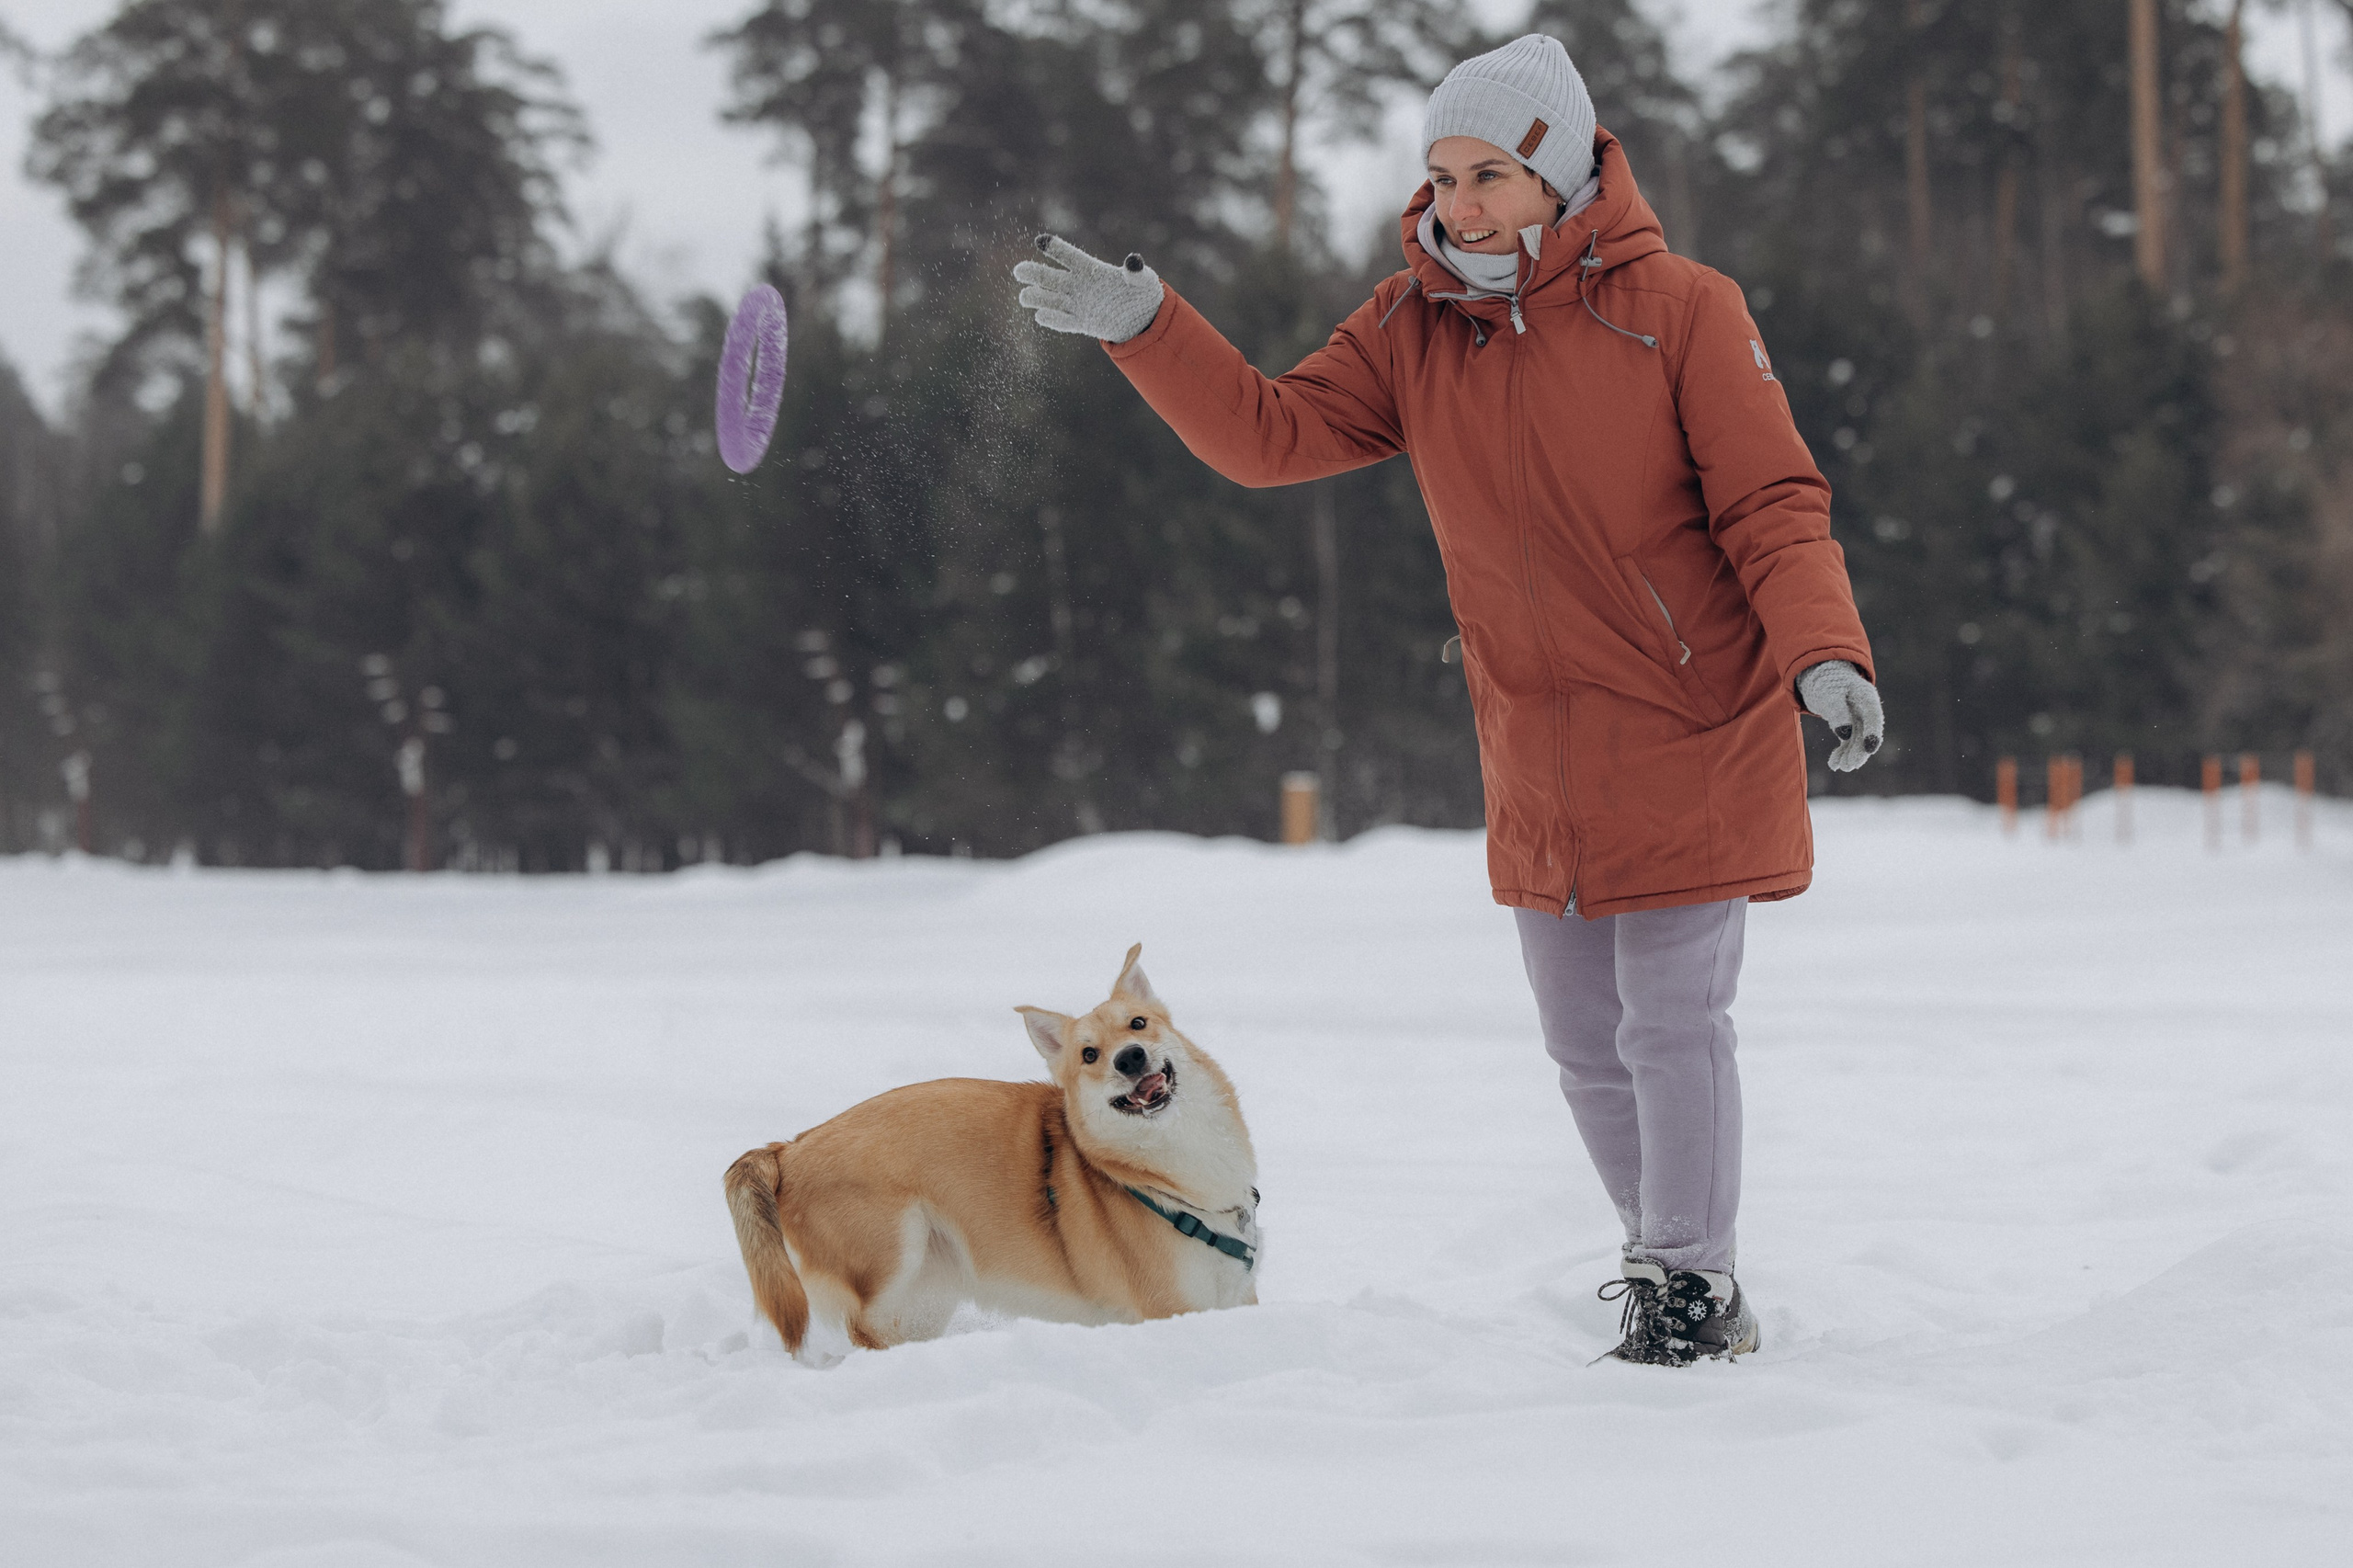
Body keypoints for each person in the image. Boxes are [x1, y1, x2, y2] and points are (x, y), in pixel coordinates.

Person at [1012, 34, 1882, 1366]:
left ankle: (1696, 1284)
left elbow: (1773, 502)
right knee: (1585, 1043)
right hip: (1538, 748)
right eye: (1440, 176)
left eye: (1485, 175)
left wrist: (1826, 651)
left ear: (1565, 169)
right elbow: (1272, 432)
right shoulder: (1415, 327)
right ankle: (1662, 1256)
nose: (1455, 205)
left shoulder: (1686, 310)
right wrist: (1150, 330)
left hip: (1694, 725)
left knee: (1669, 1020)